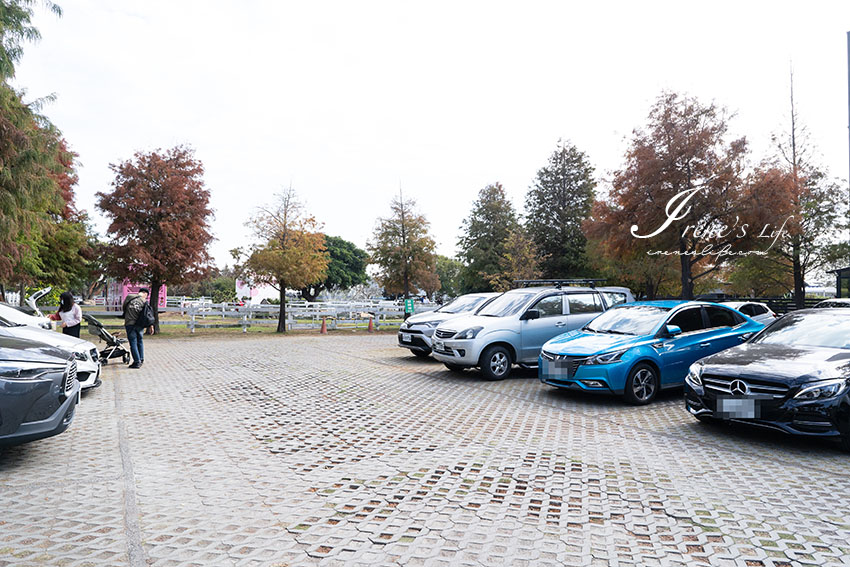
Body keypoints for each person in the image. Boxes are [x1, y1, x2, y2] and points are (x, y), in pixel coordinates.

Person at [122, 288, 150, 369]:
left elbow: (124, 308)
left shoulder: (129, 297)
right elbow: (147, 314)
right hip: (139, 324)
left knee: (133, 343)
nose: (146, 297)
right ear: (144, 293)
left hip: (130, 323)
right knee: (140, 341)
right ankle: (141, 359)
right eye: (147, 295)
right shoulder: (144, 301)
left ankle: (136, 362)